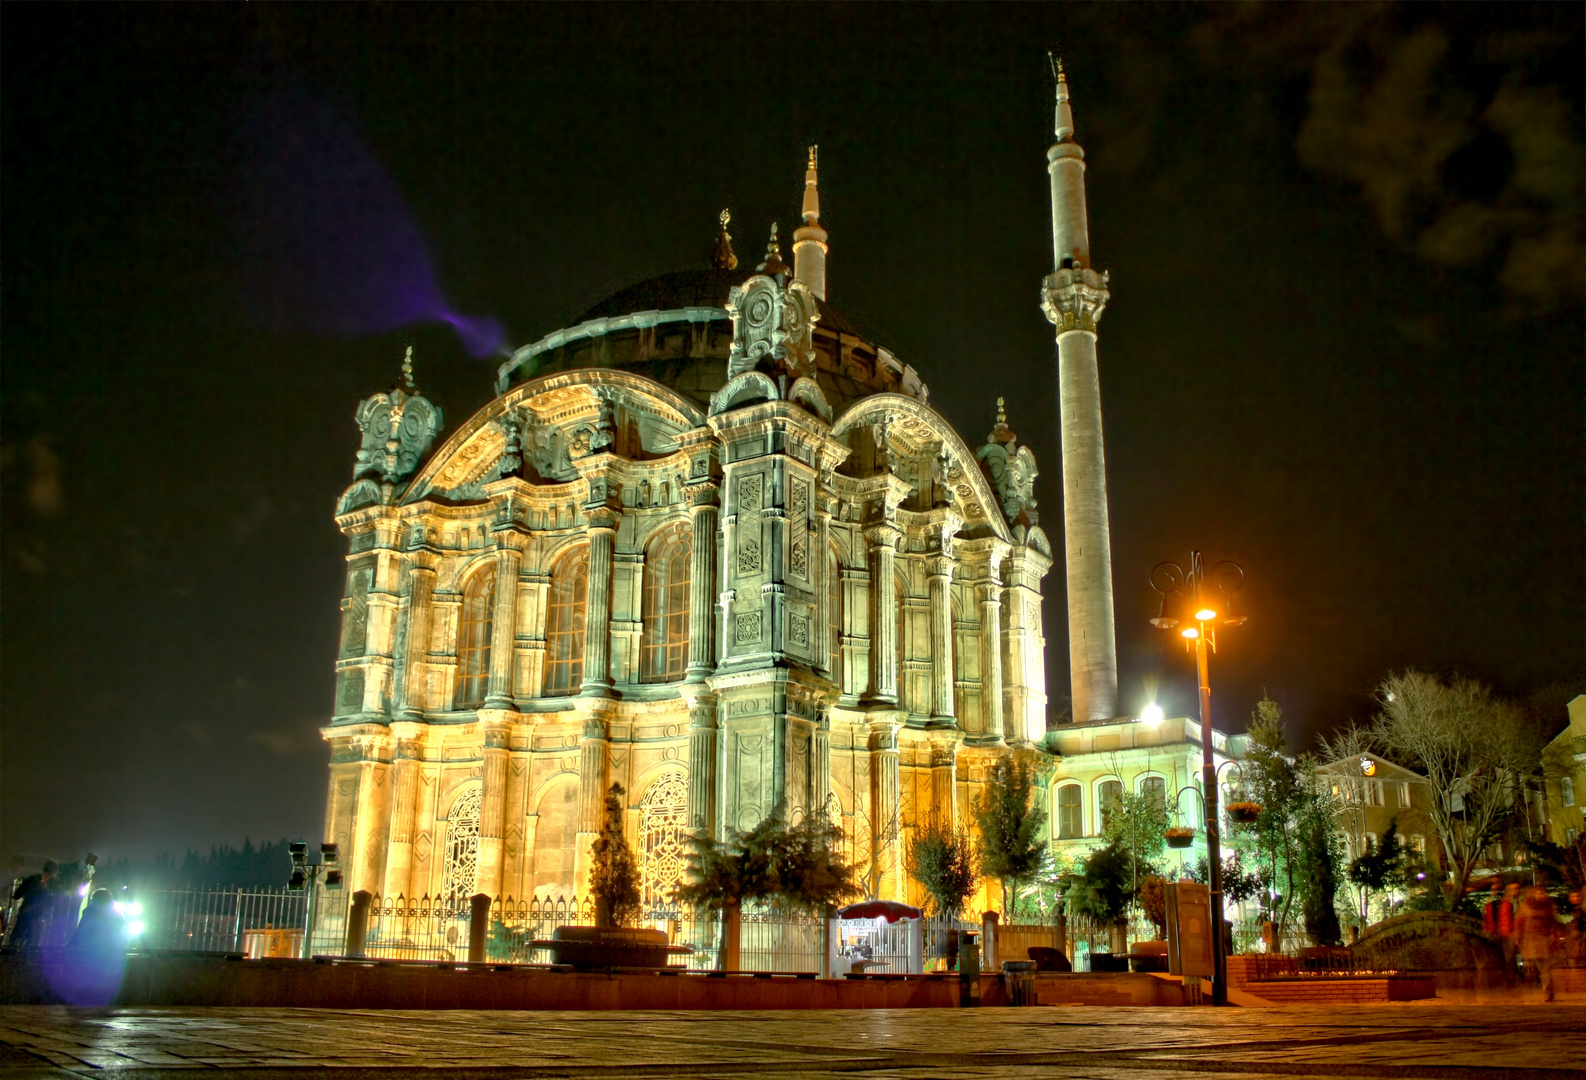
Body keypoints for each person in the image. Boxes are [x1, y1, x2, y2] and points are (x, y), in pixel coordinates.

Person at [1515, 877, 1562, 1002]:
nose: (1541, 895)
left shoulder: (1548, 906)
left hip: (1543, 939)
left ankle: (1548, 992)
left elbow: (1554, 922)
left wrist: (1555, 934)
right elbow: (1520, 922)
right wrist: (1519, 937)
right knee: (1537, 967)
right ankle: (1543, 989)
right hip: (1531, 939)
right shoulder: (1526, 905)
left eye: (1542, 893)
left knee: (1545, 968)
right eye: (1538, 893)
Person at [7, 860, 57, 947]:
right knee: (27, 945)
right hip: (32, 917)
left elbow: (17, 895)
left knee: (18, 943)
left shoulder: (35, 881)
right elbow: (17, 895)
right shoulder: (50, 885)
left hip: (29, 916)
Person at [68, 890, 126, 954]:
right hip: (109, 951)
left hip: (92, 951)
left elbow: (80, 931)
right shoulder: (115, 915)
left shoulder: (89, 912)